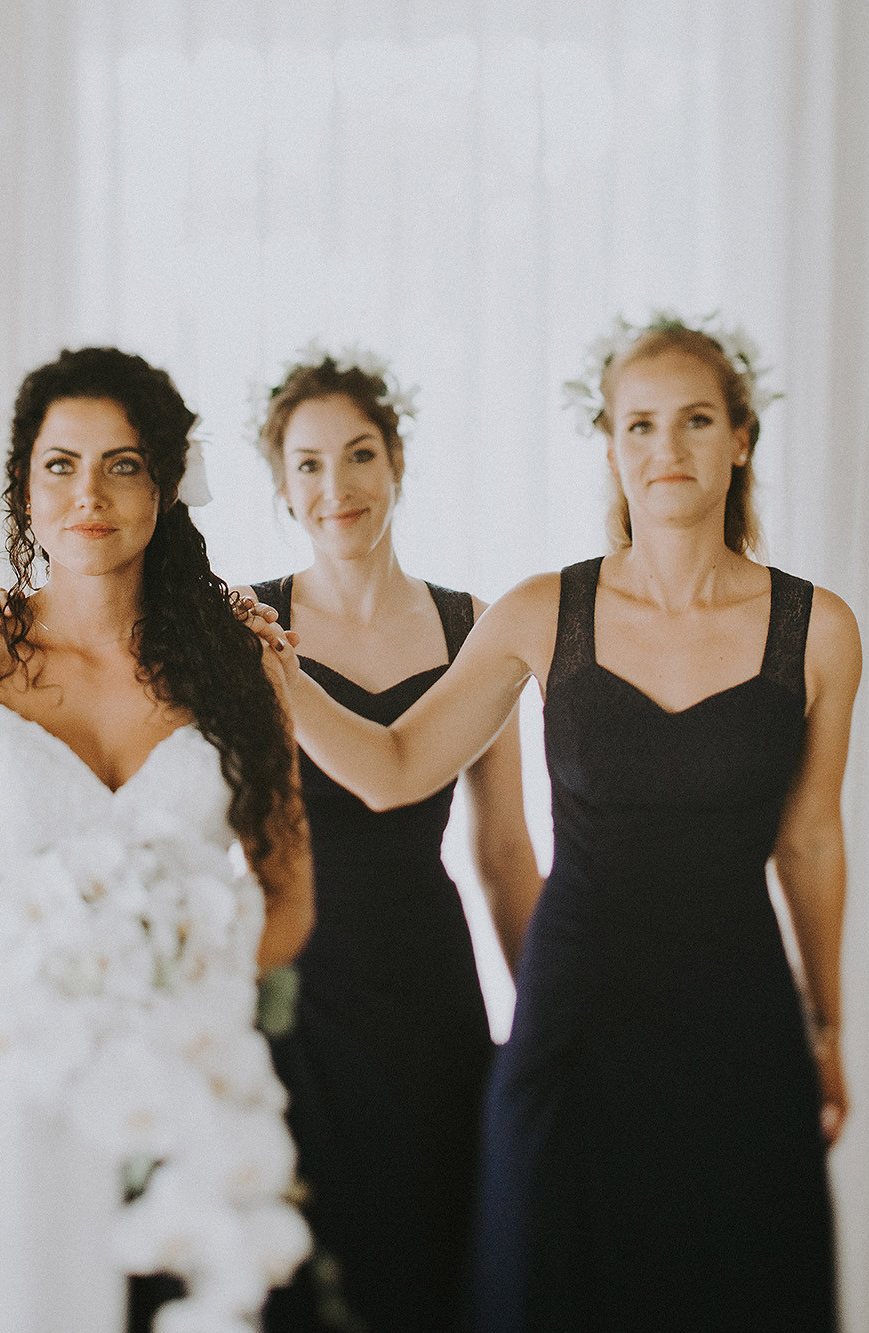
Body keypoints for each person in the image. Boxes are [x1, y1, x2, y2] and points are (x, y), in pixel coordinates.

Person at [253, 315, 857, 1330]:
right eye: (639, 425)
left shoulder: (820, 628)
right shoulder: (539, 611)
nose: (665, 448)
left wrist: (826, 1024)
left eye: (694, 420)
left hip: (740, 1014)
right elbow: (396, 769)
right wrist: (283, 679)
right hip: (573, 1017)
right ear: (609, 445)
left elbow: (811, 839)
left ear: (740, 437)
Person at [0, 346, 315, 1333]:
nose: (88, 493)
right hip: (12, 1090)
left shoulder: (240, 667)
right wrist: (30, 1010)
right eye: (60, 464)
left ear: (166, 486)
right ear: (24, 485)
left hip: (181, 1098)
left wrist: (179, 1009)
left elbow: (288, 897)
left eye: (121, 464)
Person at [236, 347, 541, 1331]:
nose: (338, 485)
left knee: (428, 1259)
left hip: (427, 986)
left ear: (397, 462)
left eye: (359, 453)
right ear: (283, 488)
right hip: (293, 981)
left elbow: (504, 854)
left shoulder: (474, 625)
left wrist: (547, 1019)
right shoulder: (241, 626)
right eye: (309, 463)